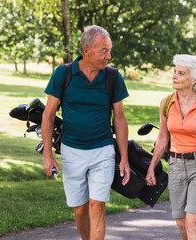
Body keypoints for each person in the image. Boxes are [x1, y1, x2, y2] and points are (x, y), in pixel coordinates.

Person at [42, 25, 130, 240]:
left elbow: (119, 119)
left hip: (103, 151)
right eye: (104, 51)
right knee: (80, 209)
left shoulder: (112, 77)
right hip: (72, 151)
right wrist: (48, 155)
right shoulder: (64, 74)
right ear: (86, 50)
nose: (108, 56)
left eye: (109, 51)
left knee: (97, 206)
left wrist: (124, 158)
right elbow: (49, 115)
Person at [145, 54, 196, 240]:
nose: (174, 76)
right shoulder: (166, 103)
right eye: (174, 71)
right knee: (181, 224)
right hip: (176, 167)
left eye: (181, 73)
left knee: (191, 225)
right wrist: (152, 167)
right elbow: (163, 139)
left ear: (194, 79)